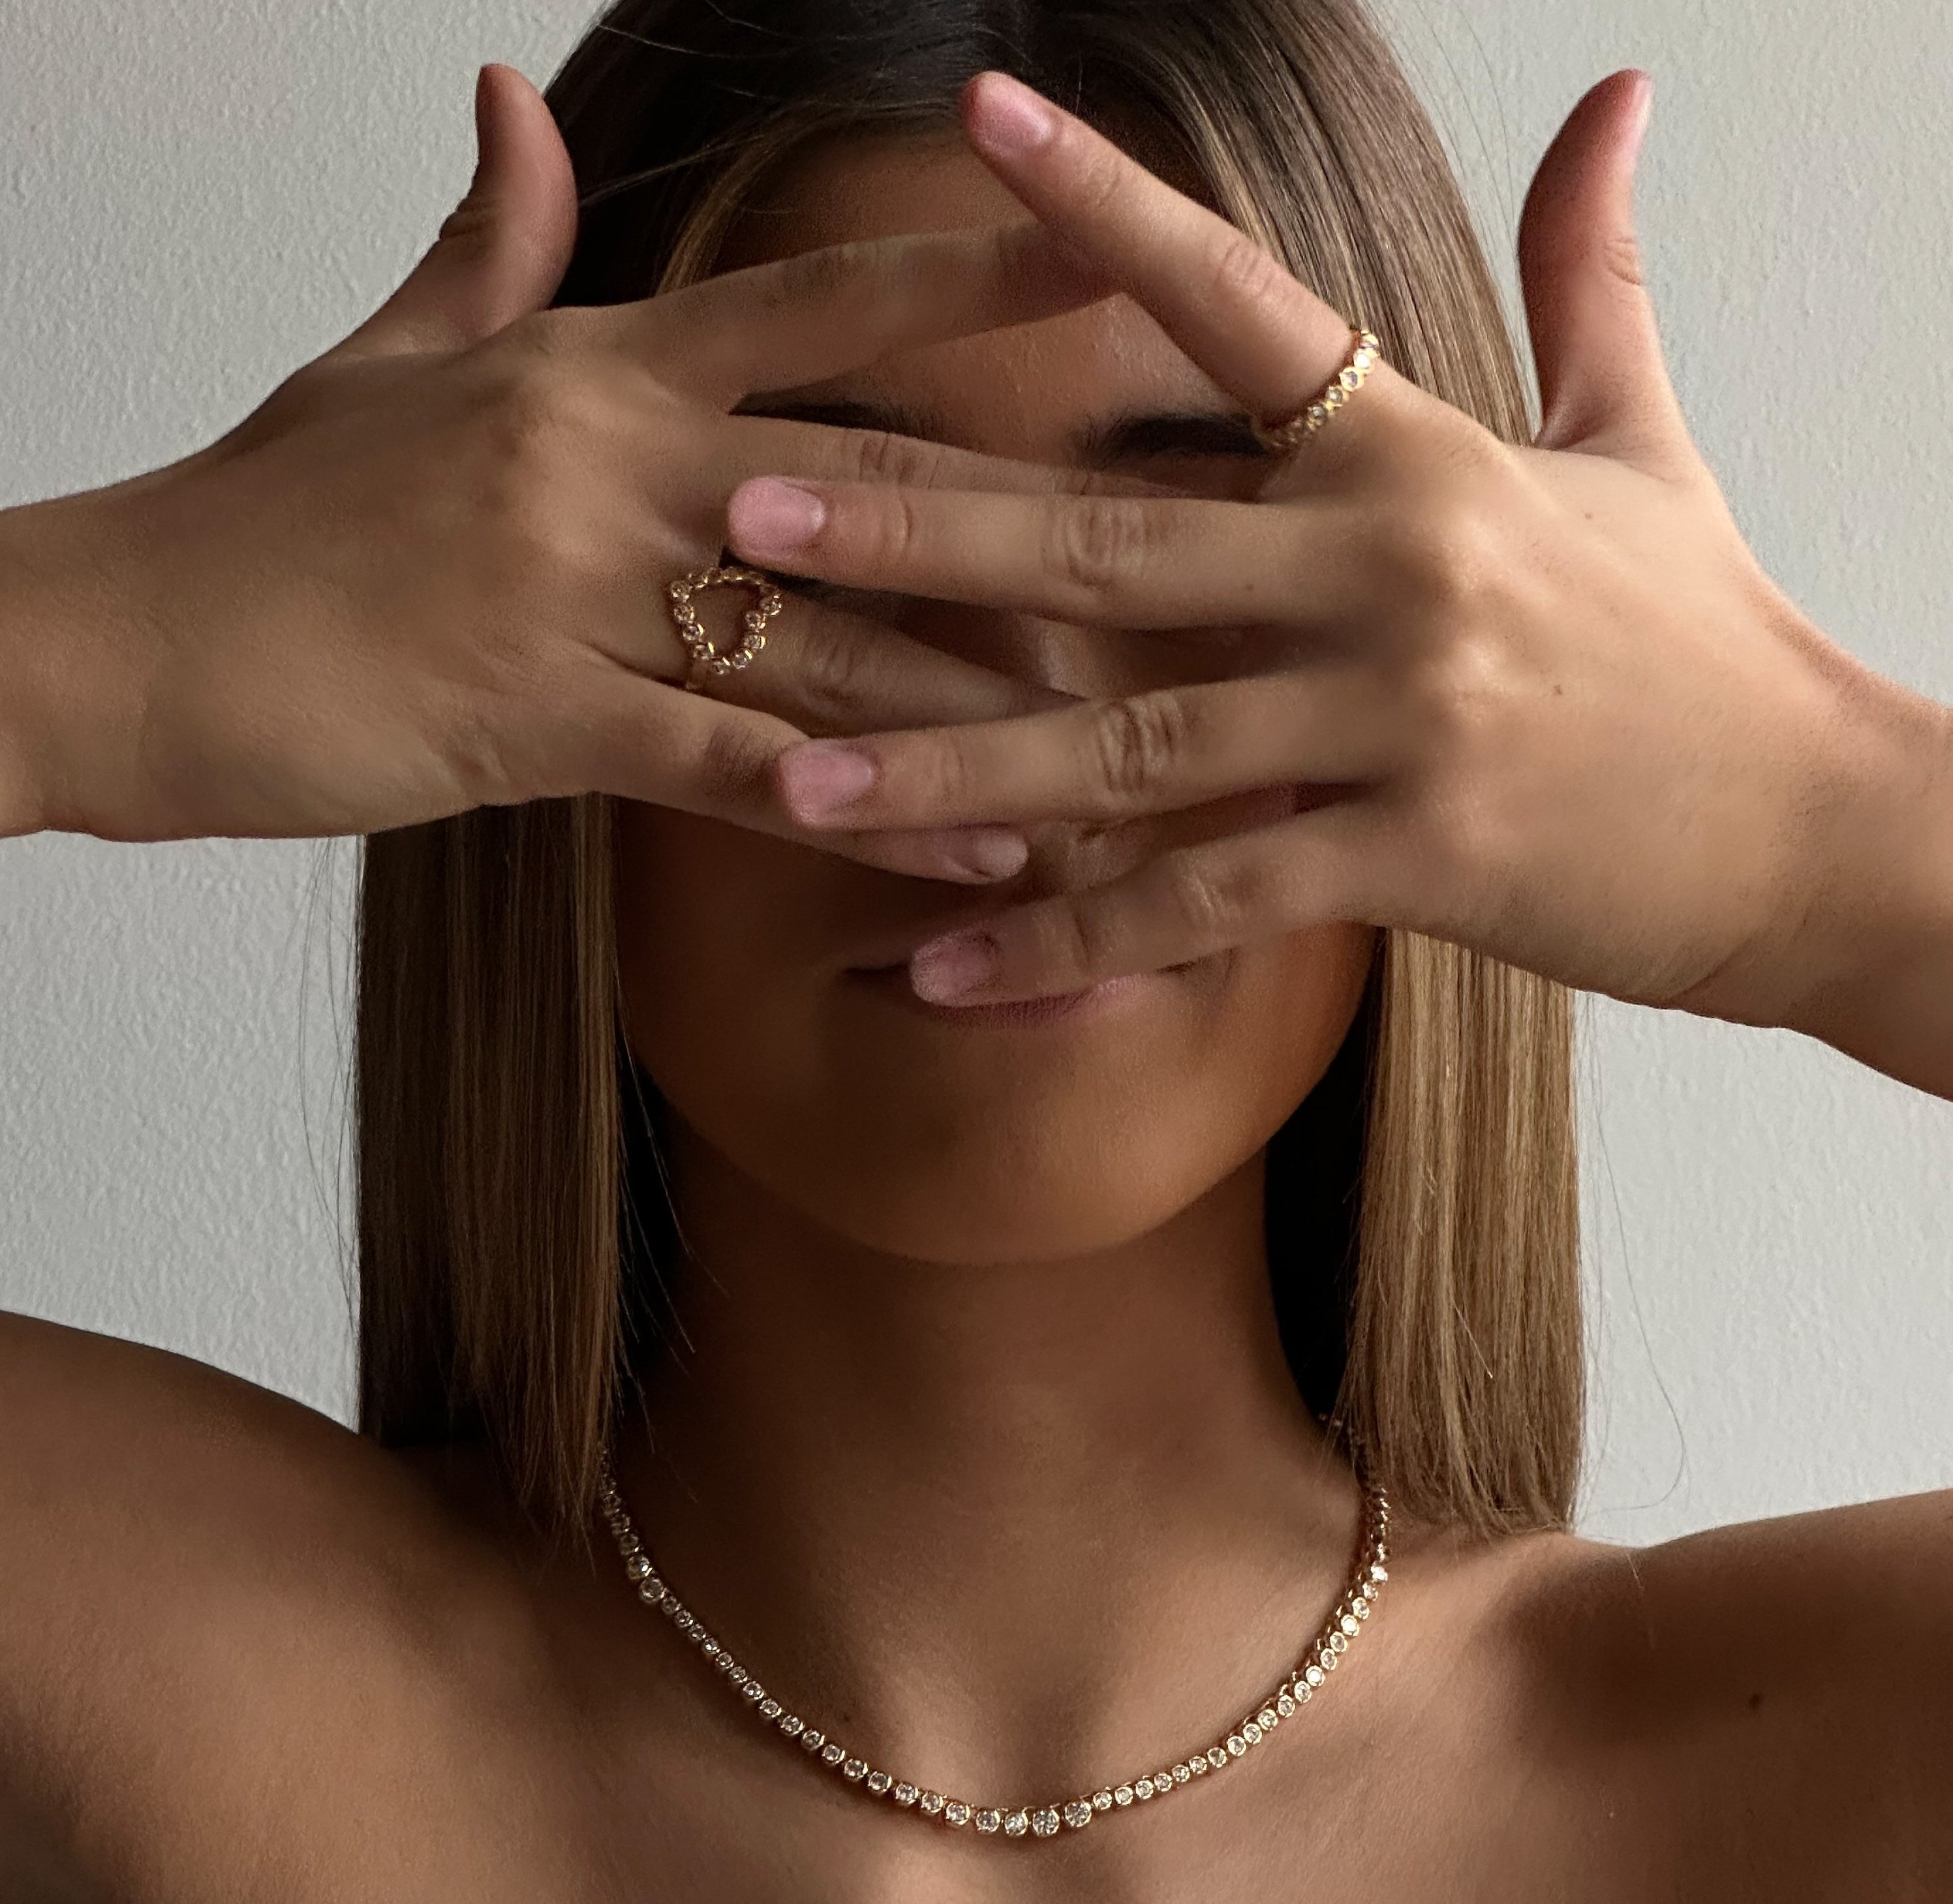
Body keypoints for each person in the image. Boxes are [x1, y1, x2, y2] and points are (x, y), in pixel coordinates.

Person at [1, 0, 1948, 1896]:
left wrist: (1821, 841)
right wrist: (95, 655)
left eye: (1195, 550)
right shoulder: (118, 1674)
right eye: (816, 550)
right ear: (502, 715)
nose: (1023, 738)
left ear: (1468, 703)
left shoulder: (1840, 1747)